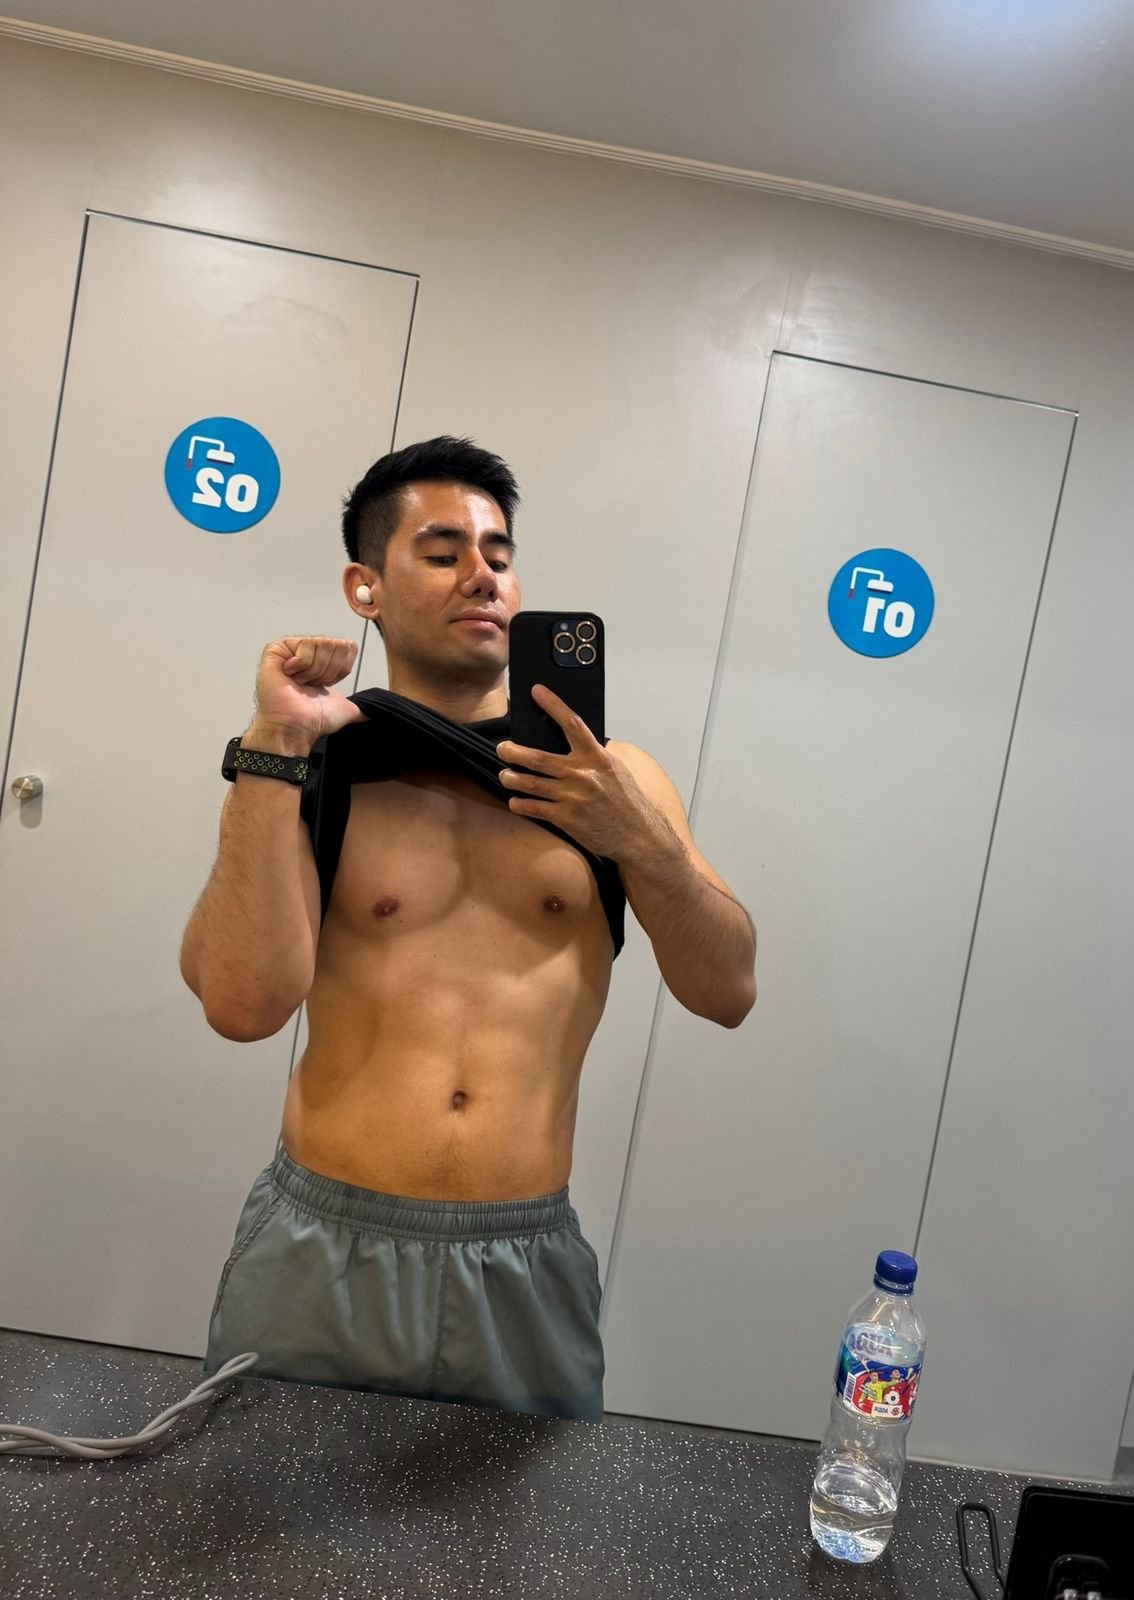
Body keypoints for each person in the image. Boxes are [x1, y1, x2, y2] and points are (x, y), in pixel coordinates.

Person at [180, 435, 757, 1421]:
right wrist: (272, 744)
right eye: (443, 552)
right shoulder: (317, 765)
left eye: (499, 554)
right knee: (268, 1510)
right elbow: (241, 1006)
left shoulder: (613, 780)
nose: (481, 575)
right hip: (323, 1244)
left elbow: (728, 991)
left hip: (523, 1259)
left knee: (527, 1520)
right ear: (365, 586)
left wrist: (642, 842)